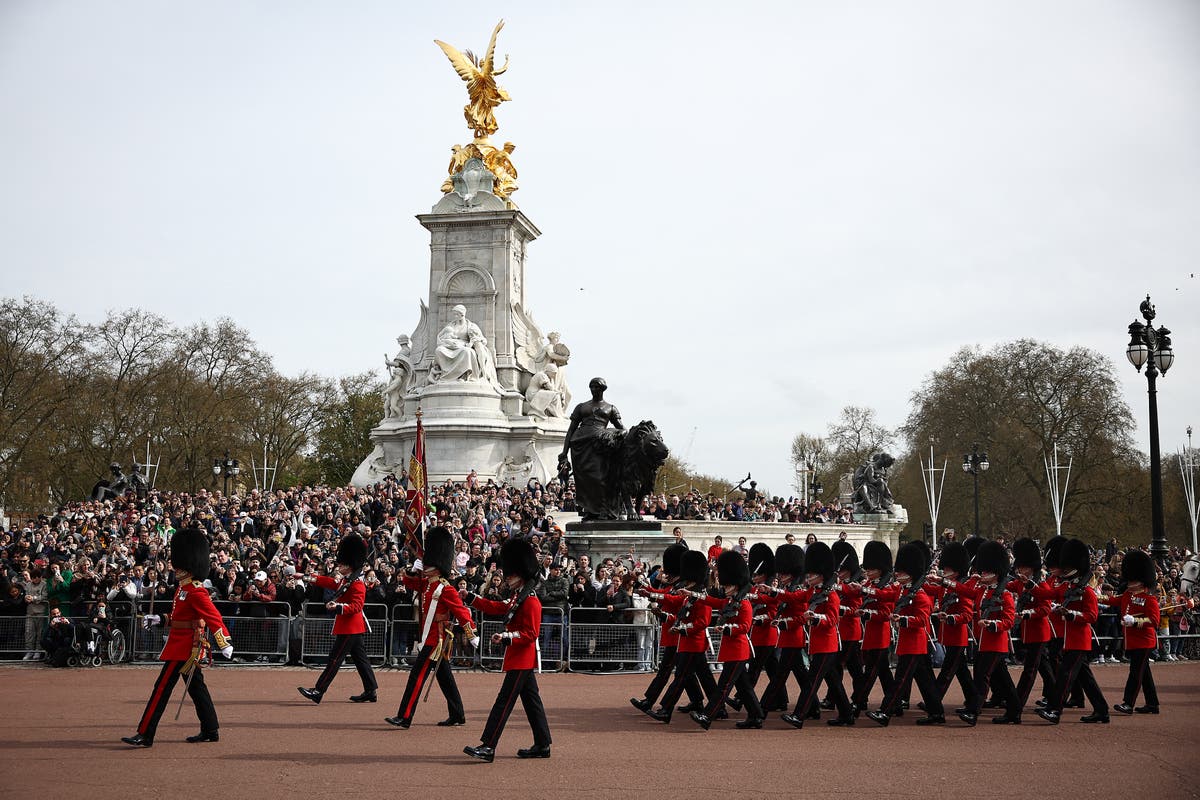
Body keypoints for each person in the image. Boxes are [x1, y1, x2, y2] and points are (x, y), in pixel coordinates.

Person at [122, 528, 233, 747]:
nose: (175, 566)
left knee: (161, 687)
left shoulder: (196, 590)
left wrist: (224, 642)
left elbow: (213, 616)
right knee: (196, 688)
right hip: (180, 643)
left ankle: (145, 733)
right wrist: (160, 619)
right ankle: (210, 729)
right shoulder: (182, 589)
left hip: (185, 647)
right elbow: (178, 617)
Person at [462, 539, 552, 762]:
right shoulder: (517, 597)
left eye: (511, 575)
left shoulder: (530, 601)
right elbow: (498, 607)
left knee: (503, 702)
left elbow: (531, 634)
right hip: (519, 659)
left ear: (521, 575)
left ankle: (488, 745)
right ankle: (542, 744)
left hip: (522, 658)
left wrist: (506, 637)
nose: (507, 578)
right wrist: (473, 599)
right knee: (532, 703)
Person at [386, 527, 479, 729]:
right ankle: (457, 714)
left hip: (436, 640)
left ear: (436, 566)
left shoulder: (446, 588)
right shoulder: (428, 584)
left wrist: (471, 633)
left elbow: (461, 611)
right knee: (445, 678)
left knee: (416, 676)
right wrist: (414, 568)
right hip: (430, 637)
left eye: (428, 563)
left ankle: (405, 716)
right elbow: (409, 582)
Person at [866, 543, 945, 726]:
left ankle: (885, 712)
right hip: (908, 643)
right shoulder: (902, 590)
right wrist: (864, 590)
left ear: (911, 573)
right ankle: (937, 713)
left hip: (914, 644)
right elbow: (883, 594)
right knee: (925, 681)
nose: (897, 575)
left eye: (901, 573)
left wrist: (902, 620)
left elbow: (922, 620)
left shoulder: (920, 596)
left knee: (900, 681)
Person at [297, 534, 378, 705]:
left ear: (350, 565)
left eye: (342, 564)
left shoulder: (357, 584)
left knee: (334, 660)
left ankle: (318, 691)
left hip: (350, 628)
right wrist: (306, 577)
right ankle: (370, 690)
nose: (339, 566)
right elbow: (328, 582)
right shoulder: (347, 580)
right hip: (351, 628)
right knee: (361, 660)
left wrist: (338, 607)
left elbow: (356, 607)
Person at [1036, 539, 1110, 724]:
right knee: (1086, 679)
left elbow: (1092, 616)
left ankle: (1055, 710)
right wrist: (1030, 586)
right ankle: (1102, 710)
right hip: (1069, 639)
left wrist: (1071, 614)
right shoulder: (1067, 587)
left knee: (1065, 675)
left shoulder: (1087, 592)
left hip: (1079, 640)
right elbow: (1047, 594)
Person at [688, 551, 765, 729]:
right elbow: (712, 602)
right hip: (732, 650)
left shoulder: (744, 603)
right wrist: (695, 595)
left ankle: (707, 716)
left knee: (723, 687)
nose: (724, 588)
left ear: (735, 585)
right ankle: (756, 715)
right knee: (744, 687)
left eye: (727, 585)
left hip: (738, 650)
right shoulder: (730, 602)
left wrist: (727, 628)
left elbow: (745, 626)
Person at [781, 542, 854, 728]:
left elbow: (832, 620)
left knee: (812, 683)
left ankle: (799, 715)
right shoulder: (814, 591)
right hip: (818, 644)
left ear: (821, 575)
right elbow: (797, 598)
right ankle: (847, 715)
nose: (808, 577)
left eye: (811, 574)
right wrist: (776, 593)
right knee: (834, 684)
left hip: (827, 645)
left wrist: (814, 618)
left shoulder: (831, 595)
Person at [645, 550, 720, 723]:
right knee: (695, 676)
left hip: (693, 642)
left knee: (680, 678)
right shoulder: (689, 595)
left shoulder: (701, 595)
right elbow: (680, 613)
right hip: (686, 642)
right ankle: (717, 706)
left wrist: (682, 629)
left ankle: (666, 710)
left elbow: (703, 621)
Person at [953, 541, 1020, 726]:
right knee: (1003, 680)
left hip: (995, 642)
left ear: (996, 572)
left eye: (985, 571)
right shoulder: (982, 591)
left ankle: (973, 711)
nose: (982, 573)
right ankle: (1015, 710)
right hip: (983, 642)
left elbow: (1008, 621)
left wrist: (991, 624)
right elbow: (965, 591)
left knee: (981, 676)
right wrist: (945, 582)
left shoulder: (1004, 595)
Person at [632, 544, 704, 713]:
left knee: (670, 672)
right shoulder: (675, 585)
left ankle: (650, 701)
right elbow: (663, 593)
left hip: (678, 634)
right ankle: (699, 702)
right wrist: (644, 585)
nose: (665, 573)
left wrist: (651, 594)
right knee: (687, 673)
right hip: (674, 634)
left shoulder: (681, 588)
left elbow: (671, 599)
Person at [1100, 549, 1160, 715]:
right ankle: (1152, 704)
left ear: (1141, 581)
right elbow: (1113, 599)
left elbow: (1154, 621)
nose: (1129, 582)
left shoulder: (1150, 599)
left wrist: (1135, 622)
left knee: (1135, 673)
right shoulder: (1128, 594)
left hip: (1144, 642)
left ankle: (1128, 703)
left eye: (1132, 579)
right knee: (1144, 673)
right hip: (1133, 641)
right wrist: (1095, 595)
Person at [924, 541, 979, 711]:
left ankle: (933, 701)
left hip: (957, 635)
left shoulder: (961, 588)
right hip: (947, 635)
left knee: (947, 672)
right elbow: (929, 590)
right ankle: (973, 699)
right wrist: (918, 578)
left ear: (956, 571)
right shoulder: (945, 587)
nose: (944, 572)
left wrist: (950, 618)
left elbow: (967, 615)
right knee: (962, 672)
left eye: (947, 570)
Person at [848, 541, 898, 717]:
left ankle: (857, 701)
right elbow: (858, 593)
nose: (868, 572)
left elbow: (886, 612)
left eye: (871, 569)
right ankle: (896, 703)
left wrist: (868, 613)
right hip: (870, 635)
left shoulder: (888, 587)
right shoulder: (870, 585)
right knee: (884, 673)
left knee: (869, 673)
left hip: (880, 635)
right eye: (867, 569)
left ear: (880, 569)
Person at [1008, 537, 1055, 710]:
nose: (1020, 570)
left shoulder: (1041, 585)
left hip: (1038, 632)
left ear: (1032, 568)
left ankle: (1017, 703)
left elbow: (1045, 609)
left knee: (1030, 670)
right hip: (1028, 632)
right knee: (1044, 668)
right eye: (1019, 567)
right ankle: (1055, 697)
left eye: (1024, 567)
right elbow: (1008, 586)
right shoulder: (1021, 584)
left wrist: (1027, 614)